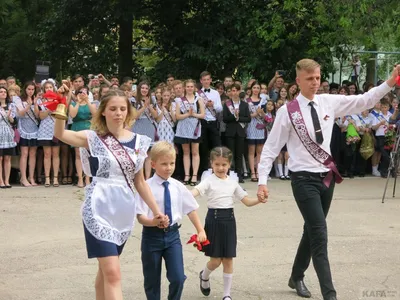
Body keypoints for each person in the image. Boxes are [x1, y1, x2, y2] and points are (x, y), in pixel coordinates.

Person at [257, 59, 400, 300]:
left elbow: (364, 100)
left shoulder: (328, 102)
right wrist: (262, 180)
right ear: (298, 80)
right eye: (310, 78)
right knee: (319, 233)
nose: (315, 83)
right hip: (302, 179)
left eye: (317, 78)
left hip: (327, 177)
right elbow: (271, 148)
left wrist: (391, 80)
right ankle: (330, 295)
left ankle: (296, 275)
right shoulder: (287, 112)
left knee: (311, 229)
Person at [54, 89, 168, 300]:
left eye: (123, 109)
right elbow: (61, 134)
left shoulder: (140, 141)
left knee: (105, 271)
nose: (118, 113)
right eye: (113, 109)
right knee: (113, 273)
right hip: (99, 208)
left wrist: (156, 211)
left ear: (128, 112)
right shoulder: (93, 138)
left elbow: (140, 182)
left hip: (123, 211)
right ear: (103, 112)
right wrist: (62, 105)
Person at [192, 147, 266, 300]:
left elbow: (246, 201)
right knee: (215, 260)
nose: (220, 168)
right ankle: (204, 275)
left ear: (229, 164)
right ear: (211, 164)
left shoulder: (233, 182)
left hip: (229, 221)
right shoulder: (208, 181)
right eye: (217, 164)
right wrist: (184, 195)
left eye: (224, 164)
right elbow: (196, 192)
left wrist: (259, 200)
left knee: (228, 259)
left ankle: (226, 295)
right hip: (213, 220)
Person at [136, 141, 206, 300]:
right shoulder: (146, 187)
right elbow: (140, 216)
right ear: (153, 164)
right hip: (151, 236)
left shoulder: (177, 186)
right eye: (164, 164)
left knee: (178, 277)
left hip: (172, 236)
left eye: (172, 163)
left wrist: (200, 230)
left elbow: (190, 209)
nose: (169, 167)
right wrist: (153, 222)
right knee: (151, 280)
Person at [223, 83, 251, 183]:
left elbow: (248, 119)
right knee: (230, 154)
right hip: (230, 131)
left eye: (236, 90)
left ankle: (239, 175)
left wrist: (238, 118)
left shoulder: (244, 104)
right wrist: (234, 116)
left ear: (239, 91)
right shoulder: (227, 104)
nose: (234, 93)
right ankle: (230, 174)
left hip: (240, 132)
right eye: (233, 90)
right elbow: (225, 118)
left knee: (239, 154)